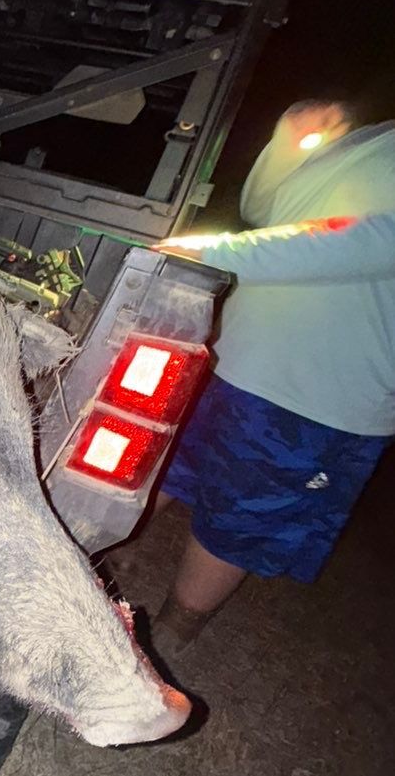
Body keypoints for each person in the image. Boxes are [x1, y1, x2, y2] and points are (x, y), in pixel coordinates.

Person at [146, 99, 395, 652]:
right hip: (233, 358)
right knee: (158, 470)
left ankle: (161, 643)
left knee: (236, 526)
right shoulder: (370, 137)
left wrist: (205, 251)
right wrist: (286, 143)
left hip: (319, 397)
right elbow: (268, 213)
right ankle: (55, 579)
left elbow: (360, 243)